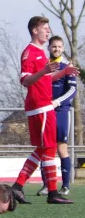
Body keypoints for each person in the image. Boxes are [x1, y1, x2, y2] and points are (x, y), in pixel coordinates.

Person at [11, 16, 79, 205]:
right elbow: (25, 80)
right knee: (47, 148)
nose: (48, 31)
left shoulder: (41, 52)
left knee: (44, 148)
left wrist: (63, 73)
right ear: (35, 30)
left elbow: (45, 79)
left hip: (44, 105)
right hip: (39, 106)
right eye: (45, 28)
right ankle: (51, 192)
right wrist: (44, 71)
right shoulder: (30, 52)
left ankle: (20, 187)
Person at [36, 36, 76, 197]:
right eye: (54, 46)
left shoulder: (67, 68)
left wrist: (57, 102)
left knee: (61, 148)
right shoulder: (43, 67)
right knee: (46, 148)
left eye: (59, 47)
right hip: (44, 111)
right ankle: (47, 185)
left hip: (61, 111)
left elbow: (72, 91)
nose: (56, 49)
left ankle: (65, 186)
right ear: (49, 48)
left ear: (63, 48)